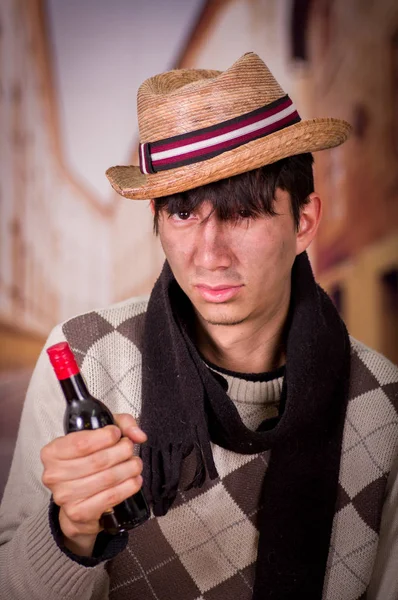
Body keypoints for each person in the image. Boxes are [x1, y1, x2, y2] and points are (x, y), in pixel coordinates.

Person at [0, 52, 397, 600]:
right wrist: (69, 534)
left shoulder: (386, 405)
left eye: (242, 212)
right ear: (158, 220)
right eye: (183, 213)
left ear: (304, 222)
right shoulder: (84, 357)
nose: (209, 254)